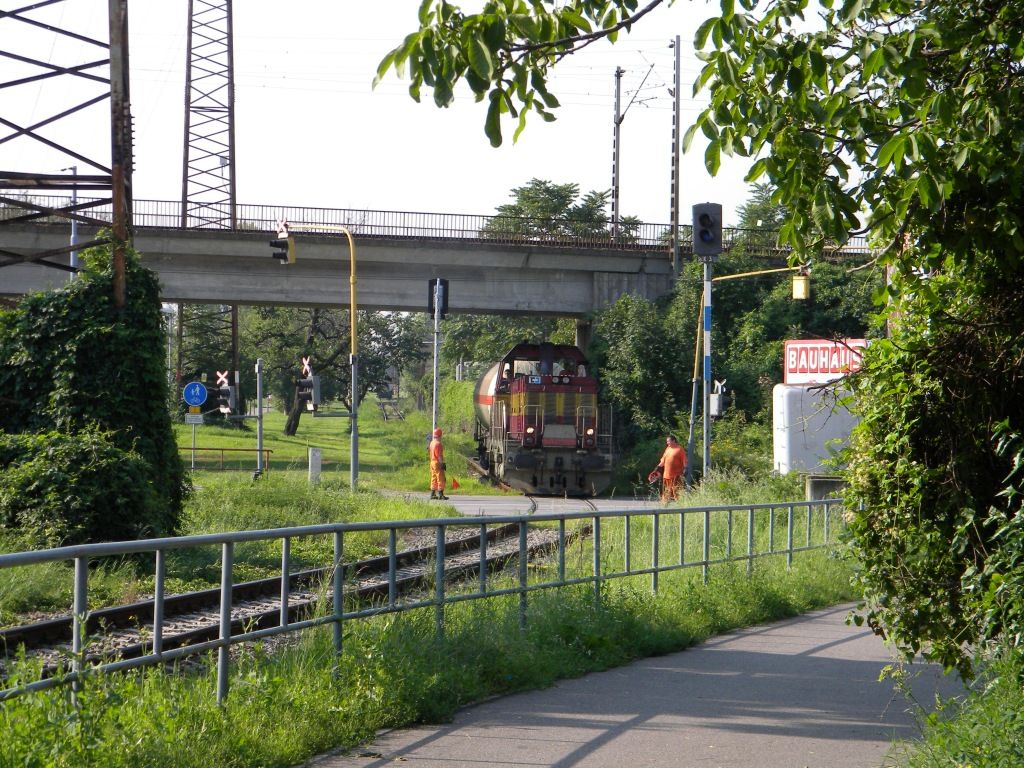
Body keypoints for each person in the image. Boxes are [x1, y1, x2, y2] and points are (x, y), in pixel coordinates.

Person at [655, 434, 687, 503]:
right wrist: (656, 469)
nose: (667, 443)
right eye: (667, 441)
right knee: (666, 491)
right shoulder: (667, 449)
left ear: (674, 441)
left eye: (668, 441)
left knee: (677, 492)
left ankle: (680, 506)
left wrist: (685, 470)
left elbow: (685, 462)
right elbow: (662, 461)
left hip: (676, 475)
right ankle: (664, 507)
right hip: (666, 475)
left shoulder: (680, 449)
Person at [429, 427, 449, 500]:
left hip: (432, 462)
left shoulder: (432, 443)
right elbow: (439, 456)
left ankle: (432, 494)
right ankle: (441, 494)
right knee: (441, 478)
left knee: (433, 478)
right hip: (437, 462)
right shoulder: (438, 444)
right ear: (440, 435)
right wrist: (442, 464)